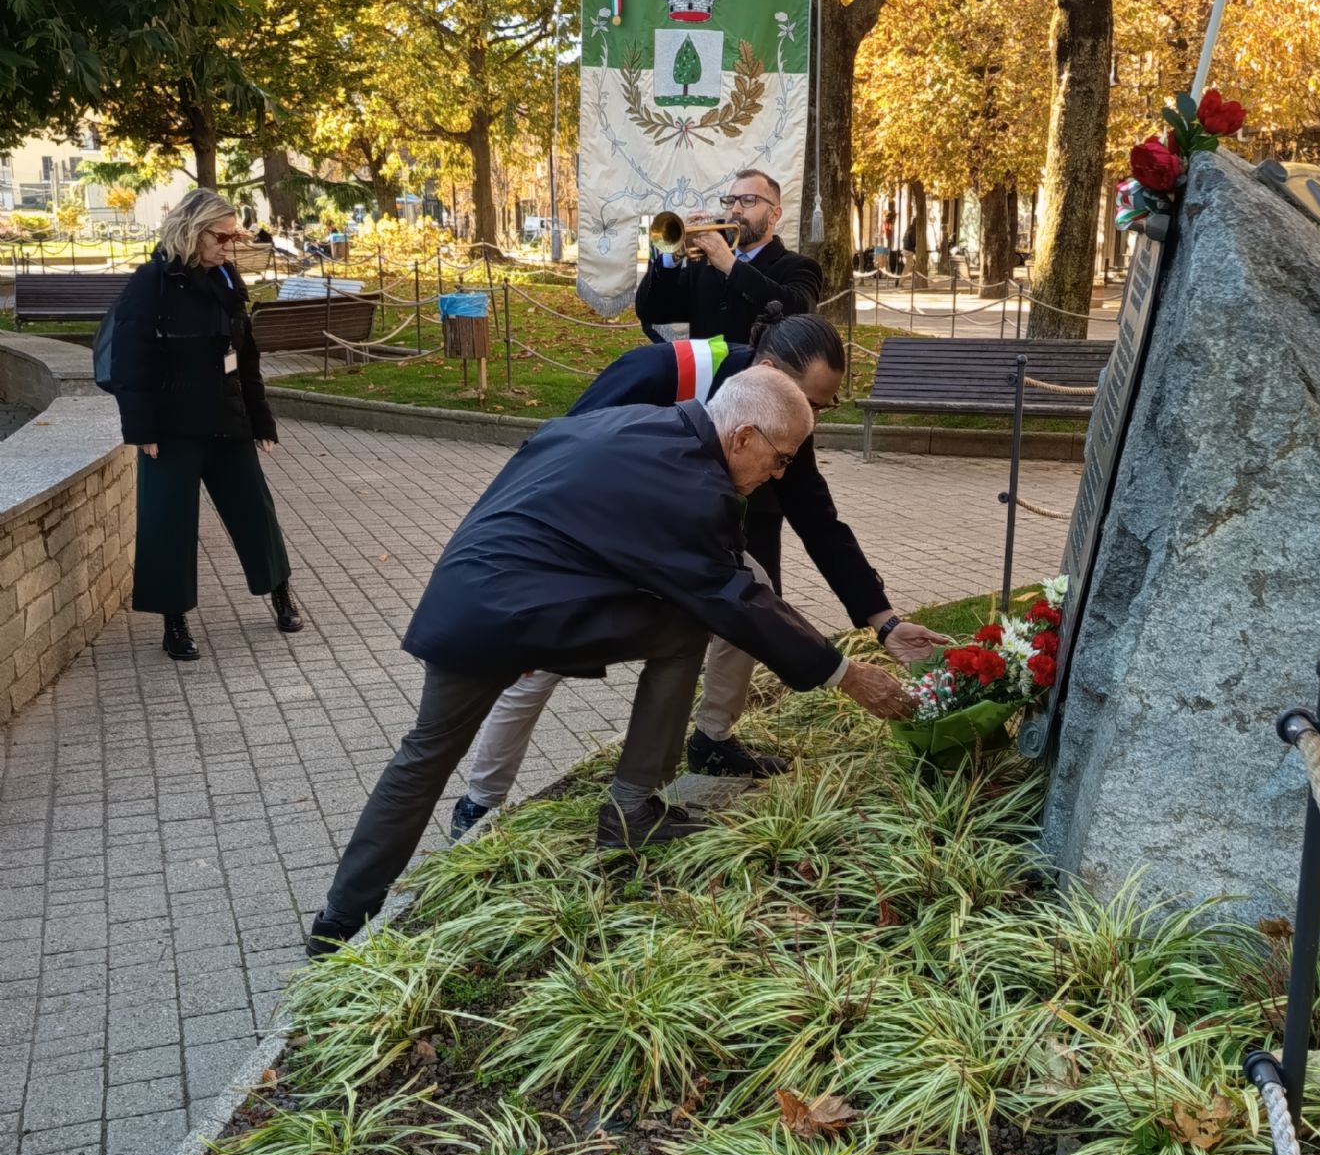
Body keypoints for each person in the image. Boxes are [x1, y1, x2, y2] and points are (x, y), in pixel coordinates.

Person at [307, 369, 913, 954]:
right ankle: (630, 812)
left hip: (467, 595)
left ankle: (338, 921)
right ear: (743, 437)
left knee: (423, 755)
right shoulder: (694, 487)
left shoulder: (638, 424)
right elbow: (734, 598)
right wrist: (847, 674)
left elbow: (534, 476)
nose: (779, 474)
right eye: (780, 459)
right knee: (688, 623)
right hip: (514, 611)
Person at [449, 309, 950, 840]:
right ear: (770, 371)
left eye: (824, 408)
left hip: (682, 538)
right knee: (541, 659)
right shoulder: (658, 373)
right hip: (589, 538)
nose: (814, 423)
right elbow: (553, 455)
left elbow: (818, 522)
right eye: (813, 404)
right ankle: (480, 802)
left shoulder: (787, 416)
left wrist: (884, 622)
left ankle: (712, 739)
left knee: (752, 593)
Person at [108, 188, 304, 662]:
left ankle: (280, 592)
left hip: (227, 419)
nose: (229, 245)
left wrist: (261, 419)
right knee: (167, 525)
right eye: (222, 236)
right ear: (193, 232)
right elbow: (129, 361)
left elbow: (246, 357)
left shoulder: (227, 279)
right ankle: (173, 622)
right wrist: (141, 430)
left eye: (234, 236)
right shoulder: (152, 282)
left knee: (255, 513)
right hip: (171, 428)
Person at [635, 167, 821, 344]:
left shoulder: (800, 267)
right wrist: (673, 255)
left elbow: (797, 312)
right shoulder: (701, 264)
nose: (735, 210)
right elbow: (651, 311)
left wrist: (731, 266)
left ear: (774, 214)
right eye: (731, 201)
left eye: (748, 200)